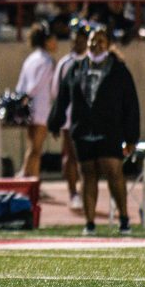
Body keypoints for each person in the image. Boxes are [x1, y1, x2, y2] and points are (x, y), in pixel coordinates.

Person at [47, 27, 140, 236]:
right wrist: (55, 122)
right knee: (87, 175)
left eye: (100, 41)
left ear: (108, 44)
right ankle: (89, 223)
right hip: (83, 130)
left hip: (109, 129)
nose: (95, 45)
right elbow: (63, 97)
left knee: (114, 172)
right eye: (92, 41)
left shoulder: (119, 70)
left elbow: (130, 104)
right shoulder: (76, 68)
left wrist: (131, 136)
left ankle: (124, 219)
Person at [51, 19, 88, 211]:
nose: (78, 42)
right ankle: (73, 192)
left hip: (89, 117)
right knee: (71, 155)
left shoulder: (93, 61)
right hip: (69, 118)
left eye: (81, 39)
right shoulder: (65, 63)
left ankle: (86, 190)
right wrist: (57, 118)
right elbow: (56, 92)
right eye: (75, 39)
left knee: (88, 158)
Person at [14, 23, 57, 179]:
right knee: (36, 148)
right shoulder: (47, 61)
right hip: (41, 108)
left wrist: (22, 100)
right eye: (53, 40)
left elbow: (21, 85)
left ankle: (33, 179)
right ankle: (24, 178)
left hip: (29, 109)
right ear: (46, 41)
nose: (56, 43)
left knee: (32, 147)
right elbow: (37, 85)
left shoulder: (30, 59)